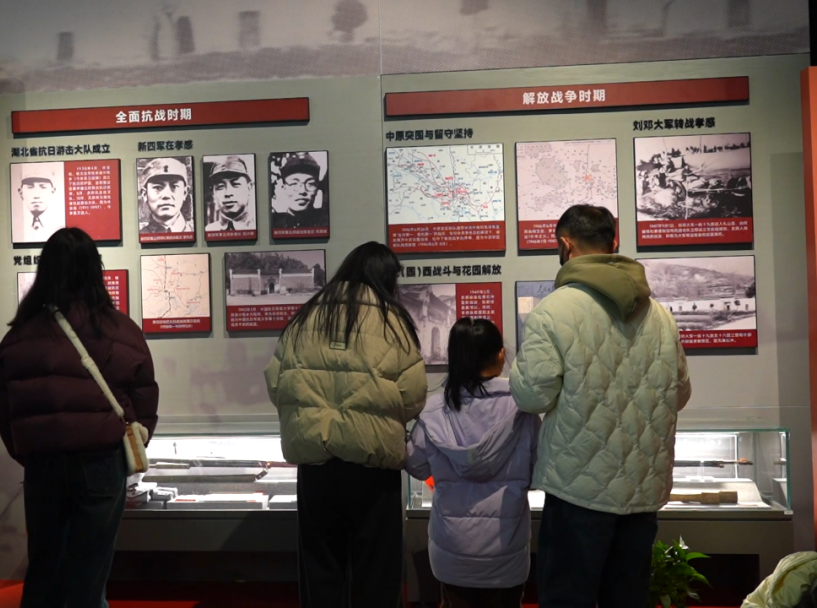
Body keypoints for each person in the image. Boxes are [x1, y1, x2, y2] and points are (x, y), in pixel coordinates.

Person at [510, 205, 692, 608]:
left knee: (567, 598)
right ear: (615, 242)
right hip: (642, 487)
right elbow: (680, 393)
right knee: (628, 598)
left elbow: (533, 396)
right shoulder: (660, 316)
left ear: (565, 245)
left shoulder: (553, 311)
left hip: (577, 488)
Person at [0, 227, 159, 608]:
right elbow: (144, 394)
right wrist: (136, 437)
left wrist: (28, 452)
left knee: (45, 565)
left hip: (43, 465)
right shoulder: (121, 330)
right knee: (90, 568)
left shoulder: (19, 337)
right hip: (102, 461)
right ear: (94, 269)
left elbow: (7, 410)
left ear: (46, 271)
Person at [264, 241, 427, 608]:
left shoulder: (305, 317)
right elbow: (414, 396)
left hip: (316, 466)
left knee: (321, 568)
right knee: (377, 571)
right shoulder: (393, 322)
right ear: (386, 278)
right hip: (373, 468)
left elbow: (277, 384)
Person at [405, 318, 539, 608]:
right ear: (500, 355)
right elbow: (537, 472)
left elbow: (416, 466)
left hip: (452, 553)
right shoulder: (523, 409)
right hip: (506, 553)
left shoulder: (435, 410)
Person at [271, 153, 328, 231]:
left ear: (317, 188)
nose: (302, 191)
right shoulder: (273, 224)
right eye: (294, 184)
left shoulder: (326, 224)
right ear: (284, 188)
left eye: (310, 184)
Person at [138, 157, 194, 234]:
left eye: (174, 187)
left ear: (185, 193)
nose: (166, 195)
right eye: (158, 187)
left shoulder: (197, 231)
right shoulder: (139, 235)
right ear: (145, 194)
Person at [204, 155, 255, 232]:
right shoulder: (208, 231)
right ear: (213, 193)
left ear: (249, 188)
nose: (228, 193)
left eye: (235, 184)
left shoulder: (259, 227)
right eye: (220, 187)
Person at [16, 164, 65, 243]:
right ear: (21, 193)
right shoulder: (16, 228)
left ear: (52, 191)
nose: (36, 195)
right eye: (30, 187)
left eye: (43, 187)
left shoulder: (61, 227)